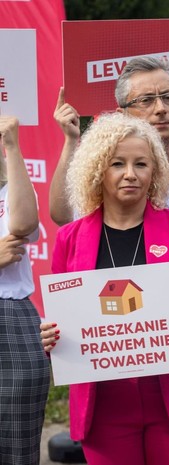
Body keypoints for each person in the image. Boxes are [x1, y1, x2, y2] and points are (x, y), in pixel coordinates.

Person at [39, 113, 169, 465]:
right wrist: (52, 335)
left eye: (141, 164)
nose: (130, 173)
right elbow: (62, 320)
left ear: (155, 170)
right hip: (104, 405)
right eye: (118, 163)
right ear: (98, 169)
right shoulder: (70, 238)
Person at [50, 56, 169, 225]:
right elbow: (63, 217)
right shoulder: (103, 176)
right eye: (146, 100)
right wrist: (71, 140)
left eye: (168, 97)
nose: (161, 108)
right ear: (122, 114)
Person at [0, 116, 50, 464]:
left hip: (14, 319)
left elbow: (22, 225)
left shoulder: (11, 190)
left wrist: (12, 144)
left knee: (18, 448)